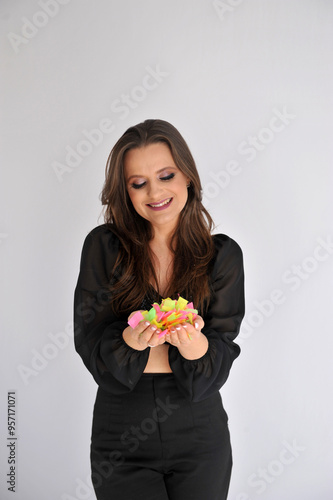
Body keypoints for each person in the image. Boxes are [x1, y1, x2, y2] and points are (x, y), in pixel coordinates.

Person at [73, 119, 245, 500]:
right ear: (126, 192)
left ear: (187, 176)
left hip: (199, 430)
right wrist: (132, 339)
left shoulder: (222, 256)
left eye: (166, 175)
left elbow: (218, 361)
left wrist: (192, 345)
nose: (155, 192)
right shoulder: (104, 247)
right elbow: (92, 349)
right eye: (138, 183)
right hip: (121, 432)